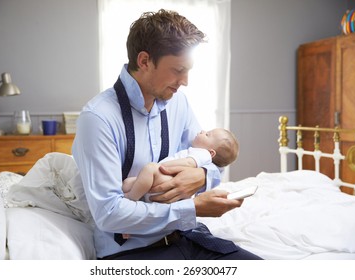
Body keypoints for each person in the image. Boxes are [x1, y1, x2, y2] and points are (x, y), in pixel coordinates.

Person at [72, 9, 261, 260]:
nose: (185, 81)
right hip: (133, 253)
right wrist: (192, 208)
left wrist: (201, 176)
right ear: (144, 61)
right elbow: (109, 213)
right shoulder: (98, 119)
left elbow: (213, 158)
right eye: (178, 70)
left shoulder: (178, 103)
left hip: (189, 236)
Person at [122, 128, 239, 202]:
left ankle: (131, 200)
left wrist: (162, 166)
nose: (202, 131)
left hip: (168, 179)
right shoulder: (199, 152)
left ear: (211, 153)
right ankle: (130, 198)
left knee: (149, 168)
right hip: (162, 184)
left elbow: (188, 163)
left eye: (207, 134)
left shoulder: (204, 154)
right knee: (127, 183)